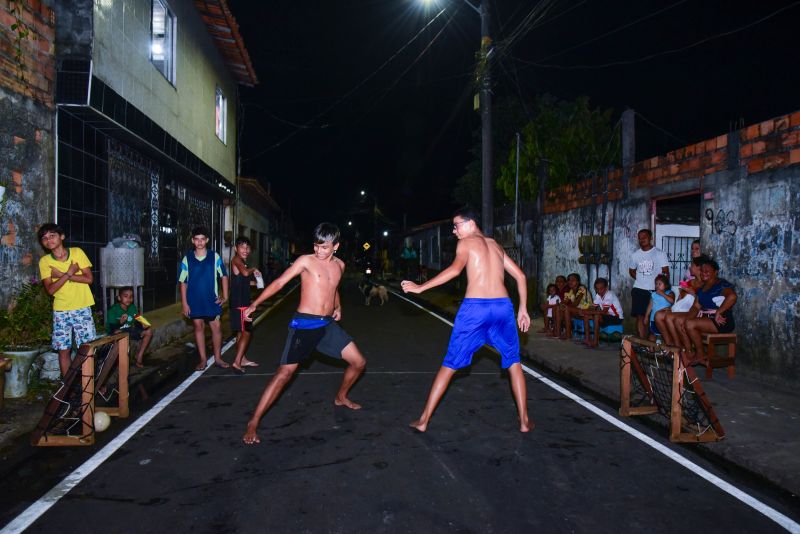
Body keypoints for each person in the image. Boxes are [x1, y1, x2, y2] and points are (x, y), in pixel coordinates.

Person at [401, 208, 532, 433]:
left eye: (456, 225)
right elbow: (520, 276)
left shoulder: (467, 243)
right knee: (513, 362)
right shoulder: (496, 245)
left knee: (450, 364)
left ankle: (423, 421)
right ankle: (524, 422)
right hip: (503, 307)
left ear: (471, 223)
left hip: (476, 309)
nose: (454, 231)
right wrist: (523, 309)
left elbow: (454, 270)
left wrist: (421, 287)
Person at [242, 222, 366, 445]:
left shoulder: (340, 265)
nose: (319, 251)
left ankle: (340, 397)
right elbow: (280, 282)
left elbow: (334, 288)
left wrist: (338, 307)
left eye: (324, 247)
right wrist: (255, 304)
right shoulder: (305, 261)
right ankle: (253, 422)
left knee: (358, 362)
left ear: (335, 246)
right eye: (316, 246)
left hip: (326, 325)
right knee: (283, 374)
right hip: (304, 325)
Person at [37, 223, 97, 377]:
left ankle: (92, 384)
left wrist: (62, 274)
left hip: (82, 306)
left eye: (52, 235)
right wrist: (68, 272)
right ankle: (67, 389)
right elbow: (50, 289)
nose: (48, 240)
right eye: (44, 238)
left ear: (61, 236)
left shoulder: (77, 253)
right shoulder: (44, 261)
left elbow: (89, 279)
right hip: (61, 310)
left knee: (87, 348)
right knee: (64, 350)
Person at [178, 226, 229, 371]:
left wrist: (225, 296)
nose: (200, 242)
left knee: (217, 327)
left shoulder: (215, 257)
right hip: (194, 301)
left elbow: (224, 276)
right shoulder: (187, 258)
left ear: (206, 240)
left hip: (211, 300)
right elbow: (183, 282)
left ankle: (218, 358)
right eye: (197, 239)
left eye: (202, 239)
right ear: (193, 241)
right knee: (198, 327)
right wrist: (184, 304)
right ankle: (202, 359)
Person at [676, 258, 737, 362]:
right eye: (702, 271)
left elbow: (732, 296)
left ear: (715, 272)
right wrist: (687, 319)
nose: (704, 273)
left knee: (690, 324)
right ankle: (689, 352)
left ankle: (700, 353)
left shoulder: (721, 284)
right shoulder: (702, 287)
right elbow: (696, 306)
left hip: (721, 321)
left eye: (707, 271)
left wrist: (719, 312)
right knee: (683, 322)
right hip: (707, 319)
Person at [629, 229, 670, 338]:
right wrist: (641, 279)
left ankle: (653, 343)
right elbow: (631, 270)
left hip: (655, 290)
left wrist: (664, 289)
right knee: (640, 316)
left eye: (644, 237)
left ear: (651, 238)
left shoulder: (659, 254)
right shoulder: (635, 255)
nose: (642, 239)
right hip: (639, 289)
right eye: (640, 238)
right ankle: (642, 343)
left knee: (654, 316)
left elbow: (665, 271)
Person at [655, 255, 704, 346]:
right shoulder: (690, 282)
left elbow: (703, 301)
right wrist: (676, 303)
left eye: (692, 265)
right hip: (682, 309)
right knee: (658, 315)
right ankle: (669, 343)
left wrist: (693, 293)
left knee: (669, 317)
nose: (690, 267)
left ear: (699, 267)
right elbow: (680, 299)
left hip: (694, 312)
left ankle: (678, 347)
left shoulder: (704, 283)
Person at [229, 236, 262, 374]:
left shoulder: (242, 262)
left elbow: (242, 280)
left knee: (240, 333)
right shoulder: (236, 260)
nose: (245, 250)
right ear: (236, 248)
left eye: (247, 247)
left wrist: (256, 283)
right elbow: (244, 272)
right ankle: (237, 362)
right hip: (240, 303)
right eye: (242, 247)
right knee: (247, 332)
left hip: (241, 302)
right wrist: (254, 269)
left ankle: (242, 359)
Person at [106, 287, 153, 368]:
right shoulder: (113, 310)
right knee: (119, 333)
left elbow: (138, 318)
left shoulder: (132, 307)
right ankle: (121, 365)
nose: (129, 299)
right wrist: (119, 323)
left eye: (131, 296)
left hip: (128, 330)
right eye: (126, 296)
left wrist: (144, 323)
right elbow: (112, 328)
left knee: (149, 332)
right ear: (119, 298)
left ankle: (139, 356)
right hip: (115, 331)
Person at [583, 277, 623, 346]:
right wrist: (585, 311)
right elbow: (593, 307)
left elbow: (604, 311)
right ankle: (587, 339)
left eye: (601, 289)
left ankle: (595, 342)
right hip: (607, 316)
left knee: (596, 316)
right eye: (597, 289)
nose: (599, 291)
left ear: (606, 288)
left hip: (616, 318)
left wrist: (588, 312)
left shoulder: (609, 295)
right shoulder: (598, 295)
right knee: (586, 316)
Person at [554, 273, 591, 341]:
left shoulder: (582, 288)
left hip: (586, 309)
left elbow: (576, 303)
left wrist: (564, 306)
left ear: (578, 281)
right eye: (569, 280)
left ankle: (568, 334)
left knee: (566, 309)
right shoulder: (571, 291)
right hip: (576, 310)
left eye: (573, 280)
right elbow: (564, 302)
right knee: (558, 308)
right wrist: (560, 305)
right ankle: (558, 332)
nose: (570, 282)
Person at [644, 274, 674, 340]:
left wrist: (663, 294)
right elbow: (650, 305)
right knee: (652, 334)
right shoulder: (653, 294)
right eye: (656, 284)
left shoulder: (669, 293)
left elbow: (672, 301)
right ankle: (651, 349)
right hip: (653, 319)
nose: (657, 286)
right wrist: (646, 316)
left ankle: (667, 347)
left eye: (659, 284)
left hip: (664, 319)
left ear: (665, 285)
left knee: (665, 334)